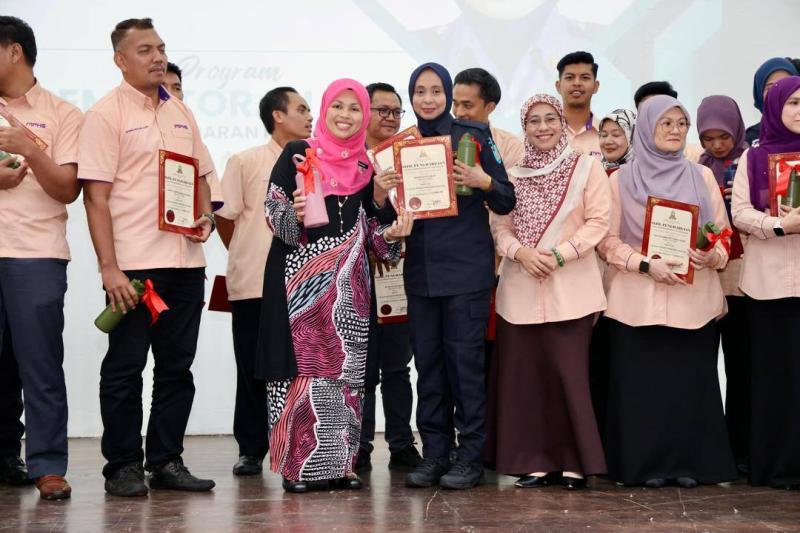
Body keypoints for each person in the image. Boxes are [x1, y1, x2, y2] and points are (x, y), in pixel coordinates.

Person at [254, 79, 413, 493]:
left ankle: (340, 465)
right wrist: (294, 212)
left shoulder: (368, 167)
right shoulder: (298, 153)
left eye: (354, 108)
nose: (346, 115)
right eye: (337, 106)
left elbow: (377, 241)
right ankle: (297, 469)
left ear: (364, 116)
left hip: (350, 287)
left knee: (347, 375)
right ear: (325, 111)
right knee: (300, 374)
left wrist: (392, 226)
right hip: (298, 285)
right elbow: (274, 216)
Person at [79, 18, 216, 497]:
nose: (157, 57)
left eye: (160, 48)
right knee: (125, 368)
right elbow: (95, 198)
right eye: (144, 50)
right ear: (120, 60)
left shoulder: (180, 111)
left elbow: (201, 176)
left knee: (177, 369)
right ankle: (121, 466)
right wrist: (109, 268)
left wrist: (206, 217)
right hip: (134, 268)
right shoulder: (105, 114)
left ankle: (166, 461)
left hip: (186, 262)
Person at [598, 95, 737, 489]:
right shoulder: (620, 180)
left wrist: (712, 255)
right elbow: (607, 241)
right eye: (666, 123)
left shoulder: (701, 177)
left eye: (681, 124)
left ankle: (690, 464)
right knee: (642, 391)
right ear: (646, 128)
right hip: (636, 303)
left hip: (692, 301)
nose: (676, 131)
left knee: (688, 389)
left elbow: (723, 233)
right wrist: (643, 263)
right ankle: (645, 466)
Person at [484, 93, 609, 490]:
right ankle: (533, 461)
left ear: (561, 123)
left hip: (571, 288)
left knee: (569, 377)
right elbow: (499, 226)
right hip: (519, 290)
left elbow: (598, 222)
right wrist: (520, 252)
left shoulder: (586, 166)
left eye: (550, 119)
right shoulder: (511, 174)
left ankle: (574, 462)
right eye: (533, 120)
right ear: (524, 127)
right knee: (527, 381)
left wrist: (559, 255)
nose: (542, 127)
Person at [401, 62, 515, 490]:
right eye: (420, 91)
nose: (428, 99)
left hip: (467, 273)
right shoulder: (402, 145)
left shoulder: (475, 136)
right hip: (421, 274)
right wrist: (383, 190)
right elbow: (383, 211)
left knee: (465, 368)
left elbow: (506, 199)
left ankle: (469, 457)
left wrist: (483, 181)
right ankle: (435, 454)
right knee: (428, 368)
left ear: (448, 94)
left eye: (436, 91)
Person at [0, 16, 82, 501]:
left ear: (14, 51)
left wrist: (29, 148)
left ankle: (48, 465)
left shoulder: (63, 113)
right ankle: (4, 456)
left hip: (36, 254)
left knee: (40, 365)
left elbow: (67, 188)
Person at [215, 87, 312, 476]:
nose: (310, 116)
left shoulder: (315, 161)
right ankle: (251, 449)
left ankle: (300, 443)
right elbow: (225, 218)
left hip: (305, 285)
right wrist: (246, 252)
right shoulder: (245, 161)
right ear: (277, 115)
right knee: (252, 368)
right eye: (301, 109)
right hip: (254, 282)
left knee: (302, 369)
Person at [732, 75, 800, 490]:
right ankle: (775, 466)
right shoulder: (754, 156)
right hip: (767, 285)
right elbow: (739, 212)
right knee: (774, 378)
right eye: (793, 103)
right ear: (774, 107)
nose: (799, 111)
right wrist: (779, 225)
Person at [356, 81, 422, 474]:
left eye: (397, 112)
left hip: (400, 273)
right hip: (359, 278)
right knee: (362, 370)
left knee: (398, 366)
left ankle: (401, 444)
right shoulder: (348, 162)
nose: (391, 118)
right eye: (383, 110)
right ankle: (360, 445)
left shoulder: (412, 158)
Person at [695, 95, 751, 474]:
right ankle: (713, 448)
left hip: (742, 280)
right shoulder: (697, 169)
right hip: (704, 280)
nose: (717, 145)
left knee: (742, 367)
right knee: (702, 369)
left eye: (724, 136)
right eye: (708, 138)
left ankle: (743, 448)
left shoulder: (750, 163)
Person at [453, 68, 524, 169]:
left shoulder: (511, 146)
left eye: (467, 105)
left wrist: (482, 178)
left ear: (490, 107)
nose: (459, 113)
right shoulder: (442, 141)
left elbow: (510, 180)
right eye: (455, 104)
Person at [555, 51, 601, 158]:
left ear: (595, 86)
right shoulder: (541, 135)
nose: (577, 83)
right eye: (569, 77)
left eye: (585, 78)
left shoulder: (608, 136)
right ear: (558, 86)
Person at [745, 57, 799, 146]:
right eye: (771, 87)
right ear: (759, 94)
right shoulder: (750, 139)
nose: (778, 92)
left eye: (786, 85)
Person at [599, 108, 636, 174]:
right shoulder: (593, 171)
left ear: (632, 137)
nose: (608, 141)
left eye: (616, 135)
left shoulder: (643, 174)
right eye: (604, 135)